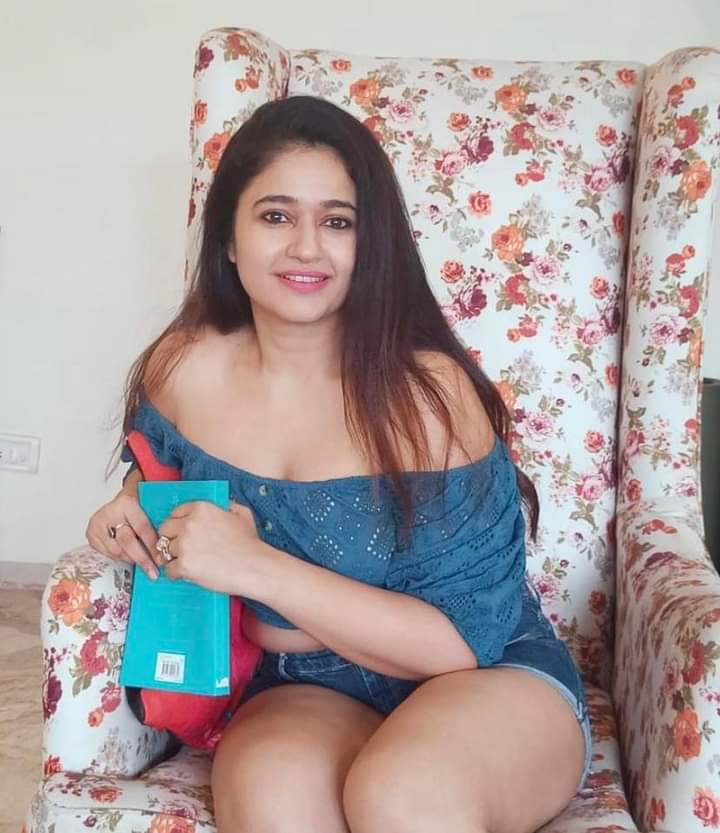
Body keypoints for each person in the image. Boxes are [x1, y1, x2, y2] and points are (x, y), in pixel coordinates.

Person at [86, 95, 591, 833]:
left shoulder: (432, 396)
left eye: (337, 222)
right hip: (304, 687)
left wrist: (255, 568)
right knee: (273, 797)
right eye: (275, 216)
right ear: (229, 238)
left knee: (402, 792)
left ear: (370, 243)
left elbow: (458, 642)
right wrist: (127, 508)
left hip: (488, 676)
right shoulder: (184, 369)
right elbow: (159, 471)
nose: (306, 248)